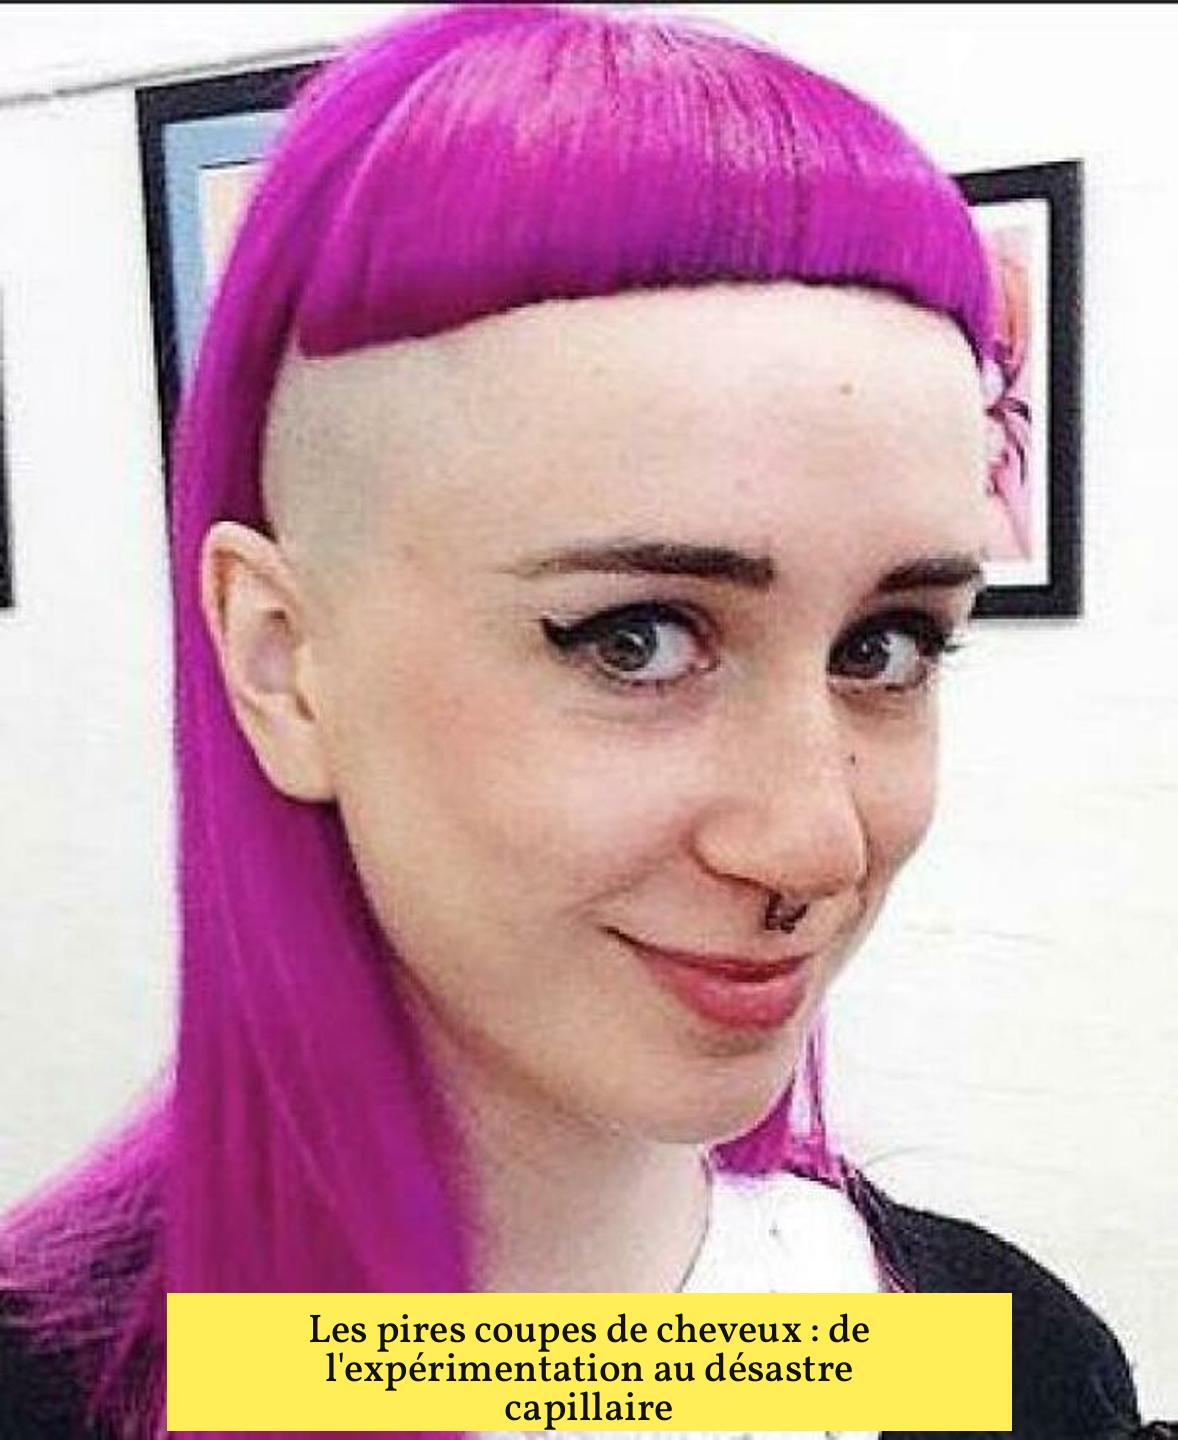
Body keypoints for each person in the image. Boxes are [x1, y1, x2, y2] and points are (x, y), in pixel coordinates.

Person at [0, 5, 1170, 1439]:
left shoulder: (1006, 1364)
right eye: (637, 640)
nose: (813, 844)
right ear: (284, 662)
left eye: (886, 645)